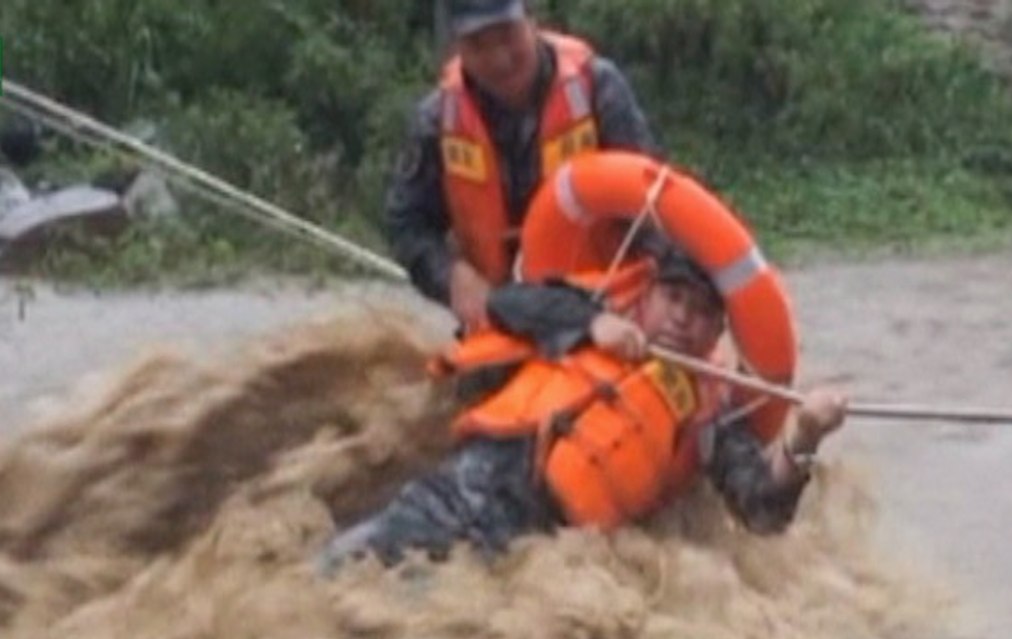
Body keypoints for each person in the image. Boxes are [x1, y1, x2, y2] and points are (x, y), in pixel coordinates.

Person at [320, 242, 847, 570]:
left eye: (703, 312)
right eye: (675, 299)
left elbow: (763, 512)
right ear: (647, 297)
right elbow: (504, 304)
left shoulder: (712, 414)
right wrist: (592, 325)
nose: (683, 320)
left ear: (718, 331)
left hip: (535, 547)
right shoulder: (583, 313)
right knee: (335, 573)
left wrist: (804, 437)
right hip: (456, 493)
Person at [387, 0, 661, 331]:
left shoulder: (598, 90)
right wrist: (450, 275)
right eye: (477, 45)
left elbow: (652, 206)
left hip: (607, 314)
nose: (500, 59)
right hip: (500, 320)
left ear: (531, 20)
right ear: (457, 47)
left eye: (507, 35)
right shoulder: (436, 121)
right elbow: (407, 224)